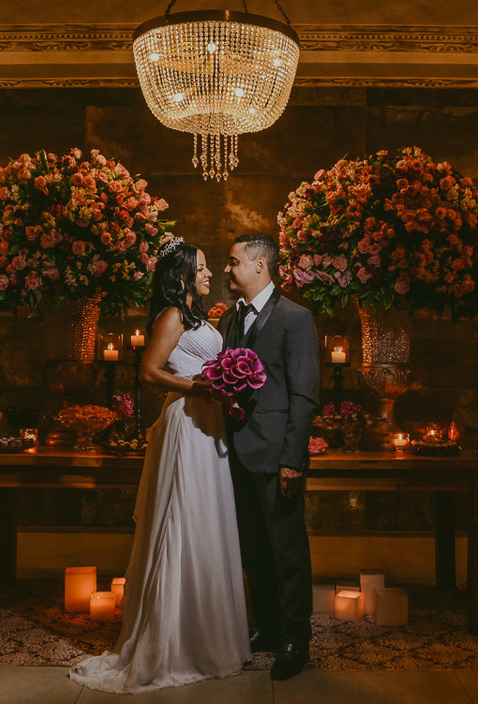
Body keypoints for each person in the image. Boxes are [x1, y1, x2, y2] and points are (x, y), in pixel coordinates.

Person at [69, 237, 249, 694]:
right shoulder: (171, 316)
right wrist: (198, 388)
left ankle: (206, 628)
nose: (210, 275)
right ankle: (173, 639)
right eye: (203, 268)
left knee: (207, 521)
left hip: (208, 421)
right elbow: (150, 372)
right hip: (186, 422)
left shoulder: (196, 316)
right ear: (183, 275)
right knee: (182, 521)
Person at [220, 233, 320, 681]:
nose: (227, 269)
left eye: (234, 261)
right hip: (236, 453)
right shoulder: (229, 319)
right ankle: (268, 626)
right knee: (253, 549)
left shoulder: (296, 319)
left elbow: (304, 395)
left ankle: (297, 637)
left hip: (278, 453)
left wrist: (292, 459)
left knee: (288, 551)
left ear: (260, 266)